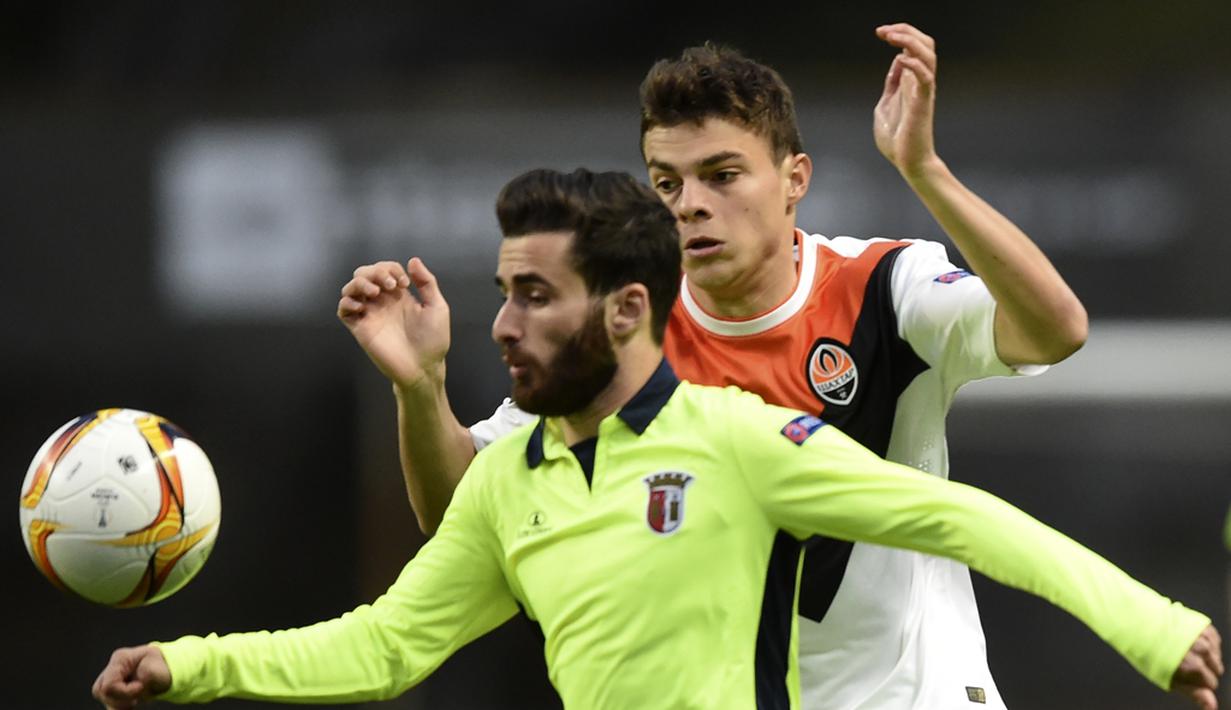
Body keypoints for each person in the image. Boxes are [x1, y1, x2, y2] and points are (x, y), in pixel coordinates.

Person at [94, 168, 1222, 710]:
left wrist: (1150, 622)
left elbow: (953, 515)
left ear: (627, 310)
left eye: (537, 296)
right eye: (502, 291)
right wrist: (193, 663)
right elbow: (386, 644)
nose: (503, 323)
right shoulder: (508, 484)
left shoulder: (733, 439)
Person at [337, 23, 1093, 709]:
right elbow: (457, 513)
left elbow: (1054, 331)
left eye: (722, 175)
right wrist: (419, 384)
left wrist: (922, 169)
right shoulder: (617, 334)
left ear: (794, 178)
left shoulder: (884, 289)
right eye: (667, 183)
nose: (689, 205)